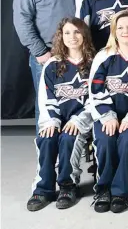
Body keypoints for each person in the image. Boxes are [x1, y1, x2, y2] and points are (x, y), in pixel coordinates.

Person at [27, 17, 95, 212]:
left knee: (68, 138)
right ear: (61, 36)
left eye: (76, 32)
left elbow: (97, 98)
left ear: (84, 35)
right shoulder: (53, 65)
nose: (72, 37)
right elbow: (46, 97)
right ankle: (43, 188)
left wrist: (78, 119)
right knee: (47, 138)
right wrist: (51, 121)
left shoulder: (94, 63)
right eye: (67, 33)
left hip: (83, 120)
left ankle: (68, 185)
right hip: (57, 118)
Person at [88, 10, 128, 214]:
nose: (126, 31)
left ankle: (120, 192)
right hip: (108, 116)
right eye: (121, 27)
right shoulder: (104, 56)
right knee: (106, 140)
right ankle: (104, 189)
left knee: (127, 141)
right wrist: (108, 115)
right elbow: (95, 88)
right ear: (114, 31)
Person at [13, 0, 76, 133]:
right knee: (47, 107)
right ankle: (47, 155)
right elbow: (21, 19)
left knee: (72, 104)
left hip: (74, 56)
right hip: (47, 55)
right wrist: (40, 52)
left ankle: (66, 154)